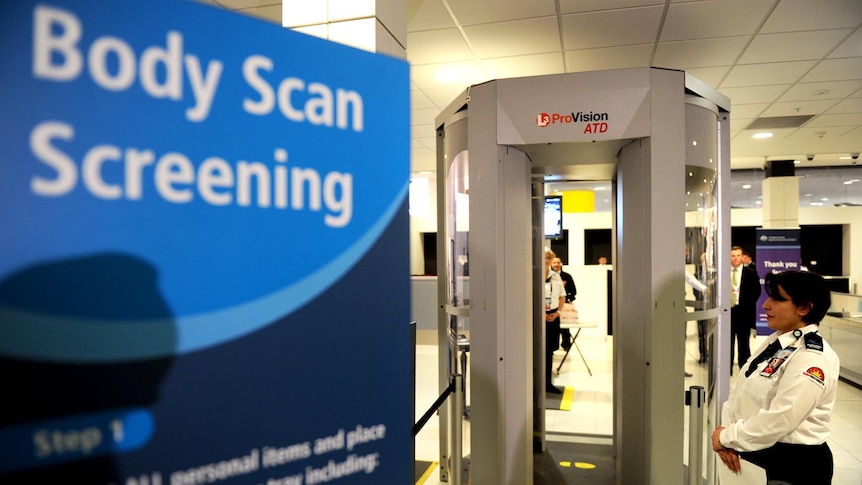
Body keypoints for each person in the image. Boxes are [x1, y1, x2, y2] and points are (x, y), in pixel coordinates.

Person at [712, 270, 839, 484]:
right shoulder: (777, 341)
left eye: (777, 299)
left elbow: (782, 418)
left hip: (792, 466)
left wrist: (727, 437)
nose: (766, 305)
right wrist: (729, 440)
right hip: (754, 451)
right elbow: (740, 393)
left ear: (804, 308)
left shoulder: (812, 357)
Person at [730, 245, 761, 370]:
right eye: (733, 256)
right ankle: (727, 370)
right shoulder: (724, 273)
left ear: (742, 257)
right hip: (728, 313)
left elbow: (756, 292)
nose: (735, 258)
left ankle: (744, 370)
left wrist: (747, 306)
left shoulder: (751, 273)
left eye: (738, 255)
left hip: (744, 314)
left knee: (744, 344)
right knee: (728, 343)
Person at [544, 249, 566, 394]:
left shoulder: (556, 277)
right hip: (537, 317)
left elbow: (562, 297)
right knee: (535, 351)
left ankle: (547, 383)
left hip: (553, 317)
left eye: (548, 258)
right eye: (543, 258)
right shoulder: (531, 275)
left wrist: (557, 313)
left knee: (549, 351)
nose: (546, 261)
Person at [551, 257, 577, 350]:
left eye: (558, 262)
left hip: (564, 305)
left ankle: (566, 344)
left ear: (561, 264)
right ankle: (553, 346)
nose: (556, 264)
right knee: (553, 327)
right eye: (554, 263)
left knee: (565, 326)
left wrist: (570, 299)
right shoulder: (548, 276)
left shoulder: (567, 276)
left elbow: (573, 290)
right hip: (551, 305)